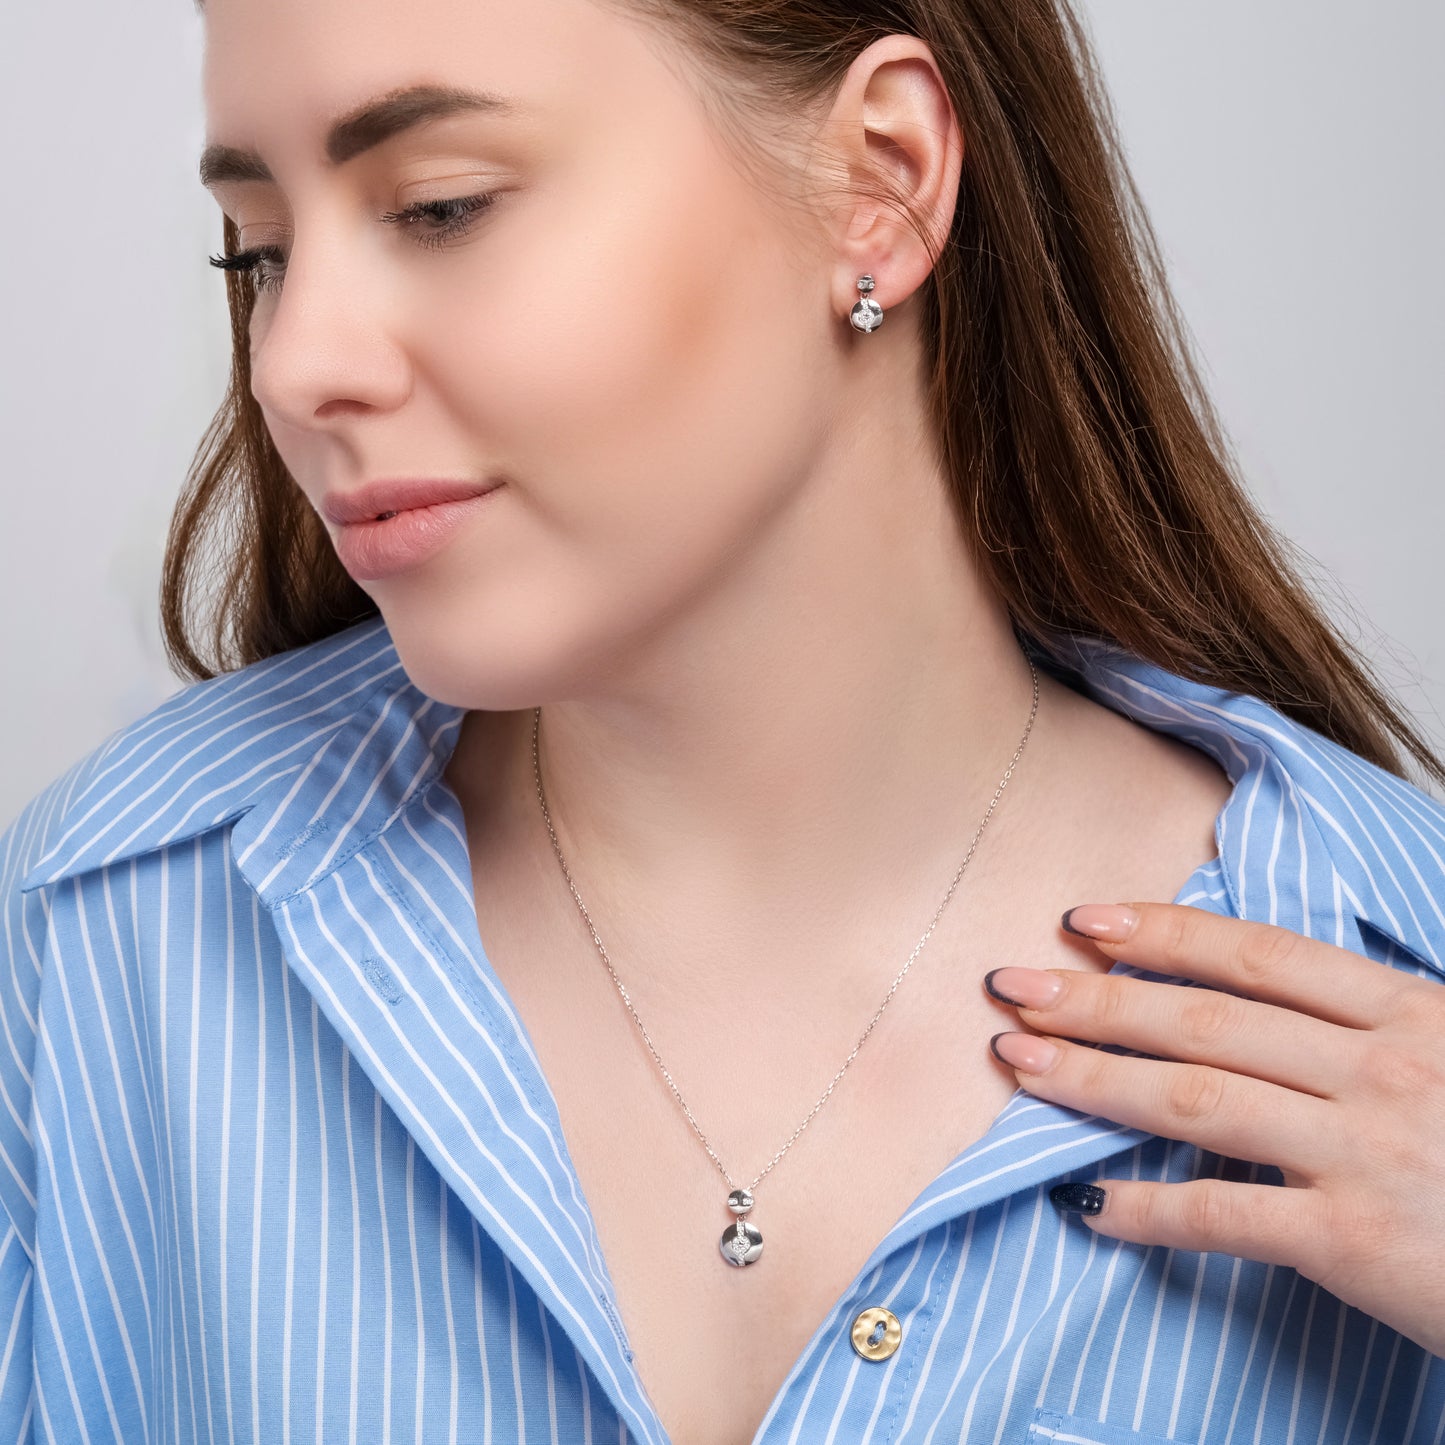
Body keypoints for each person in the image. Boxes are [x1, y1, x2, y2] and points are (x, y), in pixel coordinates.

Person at [1, 0, 1442, 1439]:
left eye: (441, 207)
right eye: (258, 252)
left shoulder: (1400, 974)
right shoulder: (117, 921)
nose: (293, 364)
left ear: (877, 180)